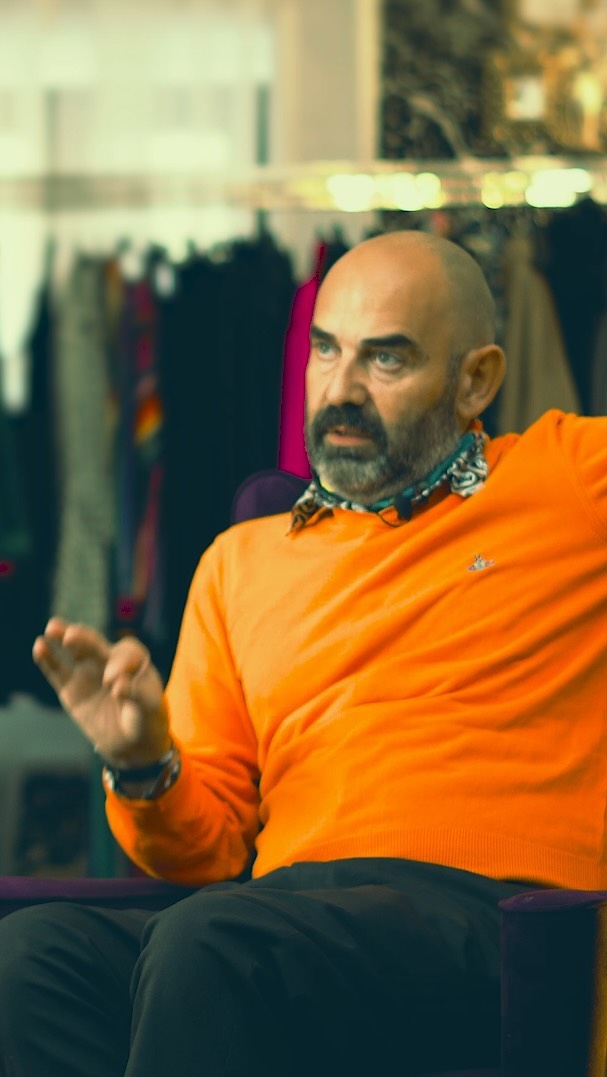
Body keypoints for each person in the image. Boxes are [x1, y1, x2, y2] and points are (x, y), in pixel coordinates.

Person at [0, 230, 605, 1077]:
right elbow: (207, 850)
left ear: (475, 380)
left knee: (213, 940)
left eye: (385, 359)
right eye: (325, 349)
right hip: (284, 918)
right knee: (32, 957)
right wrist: (142, 762)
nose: (340, 389)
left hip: (496, 919)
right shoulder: (239, 561)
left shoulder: (568, 476)